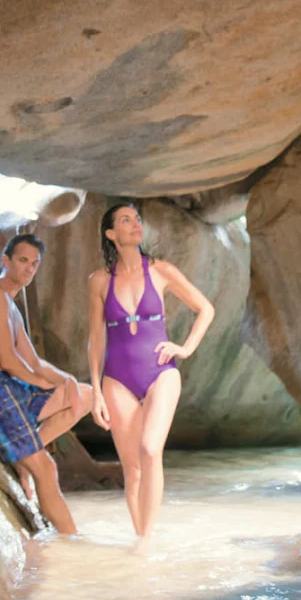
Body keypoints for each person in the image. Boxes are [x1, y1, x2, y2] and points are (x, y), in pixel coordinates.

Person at [86, 201, 214, 539]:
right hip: (117, 380)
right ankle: (142, 541)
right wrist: (96, 391)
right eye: (125, 220)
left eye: (137, 219)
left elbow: (205, 309)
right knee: (132, 470)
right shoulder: (99, 281)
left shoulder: (161, 270)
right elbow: (96, 340)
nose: (135, 224)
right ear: (111, 233)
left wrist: (184, 348)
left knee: (150, 449)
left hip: (161, 373)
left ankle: (147, 539)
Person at [0, 232, 94, 536]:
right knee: (46, 469)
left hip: (8, 385)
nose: (29, 268)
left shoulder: (11, 305)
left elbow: (33, 362)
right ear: (5, 261)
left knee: (85, 396)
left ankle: (24, 455)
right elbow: (7, 360)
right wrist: (42, 385)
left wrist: (67, 380)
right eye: (22, 260)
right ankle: (73, 542)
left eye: (34, 264)